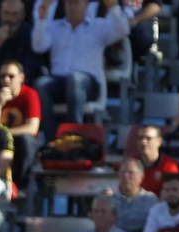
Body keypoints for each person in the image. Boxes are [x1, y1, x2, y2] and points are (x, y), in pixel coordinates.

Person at [30, 0, 129, 138]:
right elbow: (39, 46)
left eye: (76, 3)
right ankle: (51, 138)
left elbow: (123, 30)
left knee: (75, 80)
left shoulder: (98, 26)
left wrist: (113, 8)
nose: (72, 7)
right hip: (59, 82)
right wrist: (42, 20)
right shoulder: (55, 26)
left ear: (86, 6)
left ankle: (75, 134)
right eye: (69, 3)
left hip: (88, 84)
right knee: (41, 84)